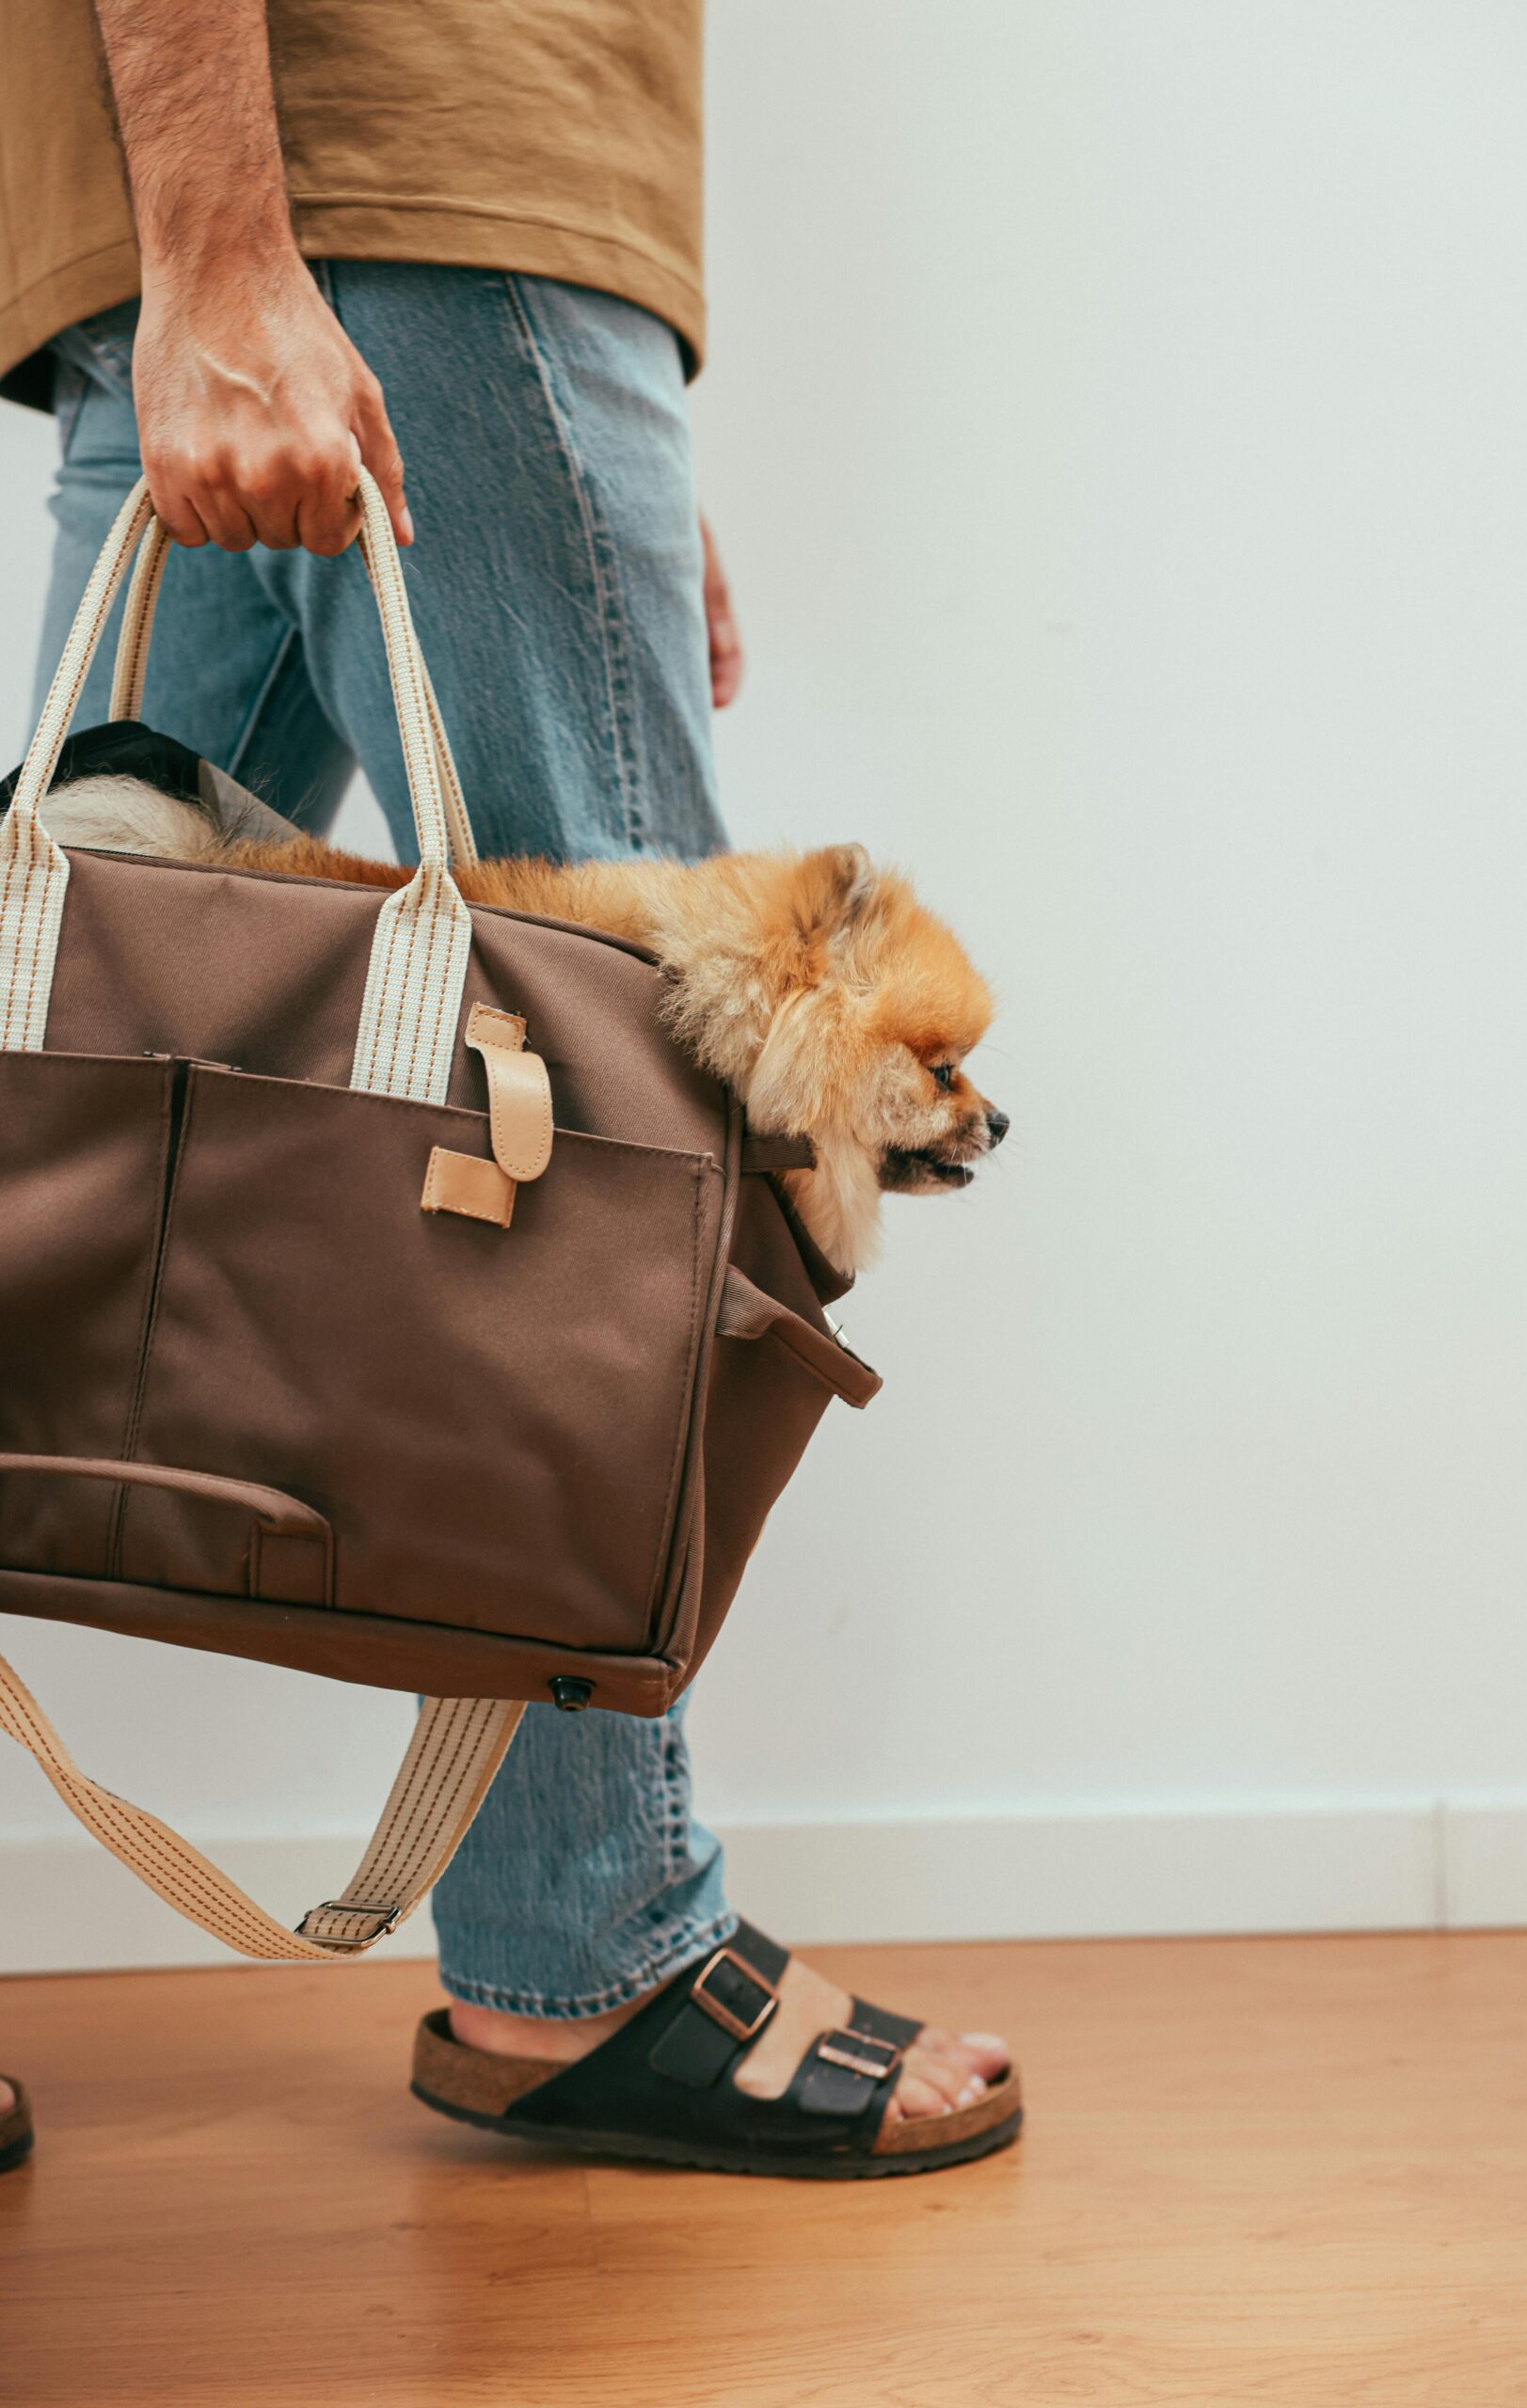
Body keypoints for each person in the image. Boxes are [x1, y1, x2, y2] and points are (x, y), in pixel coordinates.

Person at [0, 0, 1018, 2175]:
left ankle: (576, 1928)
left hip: (266, 217)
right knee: (622, 1134)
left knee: (47, 1081)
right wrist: (246, 248)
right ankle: (589, 1944)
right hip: (408, 197)